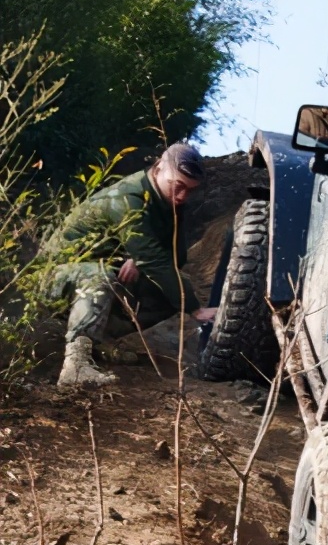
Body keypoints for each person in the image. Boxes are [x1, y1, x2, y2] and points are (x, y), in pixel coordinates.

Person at [46, 143, 217, 389]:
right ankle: (76, 363)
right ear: (158, 169)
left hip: (91, 272)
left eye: (189, 191)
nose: (182, 197)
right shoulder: (130, 197)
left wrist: (137, 256)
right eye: (178, 186)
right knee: (99, 275)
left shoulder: (167, 202)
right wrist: (194, 309)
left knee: (167, 288)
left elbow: (176, 258)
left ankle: (99, 342)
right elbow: (155, 260)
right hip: (54, 277)